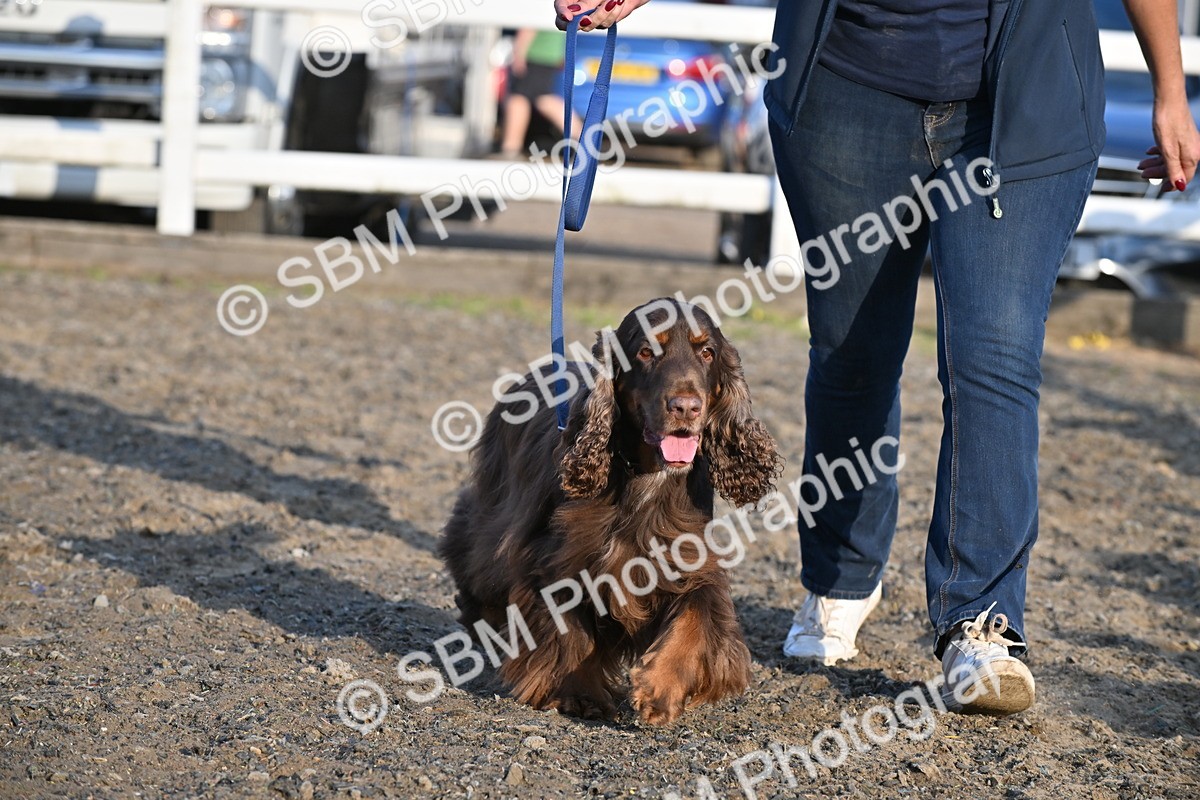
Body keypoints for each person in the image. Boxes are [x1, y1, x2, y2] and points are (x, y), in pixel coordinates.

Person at [555, 0, 1200, 714]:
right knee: (853, 352)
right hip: (849, 87)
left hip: (1025, 98)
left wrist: (1169, 90)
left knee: (994, 358)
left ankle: (981, 621)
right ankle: (840, 579)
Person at [497, 28, 582, 159]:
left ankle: (510, 149)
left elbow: (530, 25)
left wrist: (518, 53)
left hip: (535, 53)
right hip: (547, 54)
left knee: (520, 98)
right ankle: (583, 141)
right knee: (542, 98)